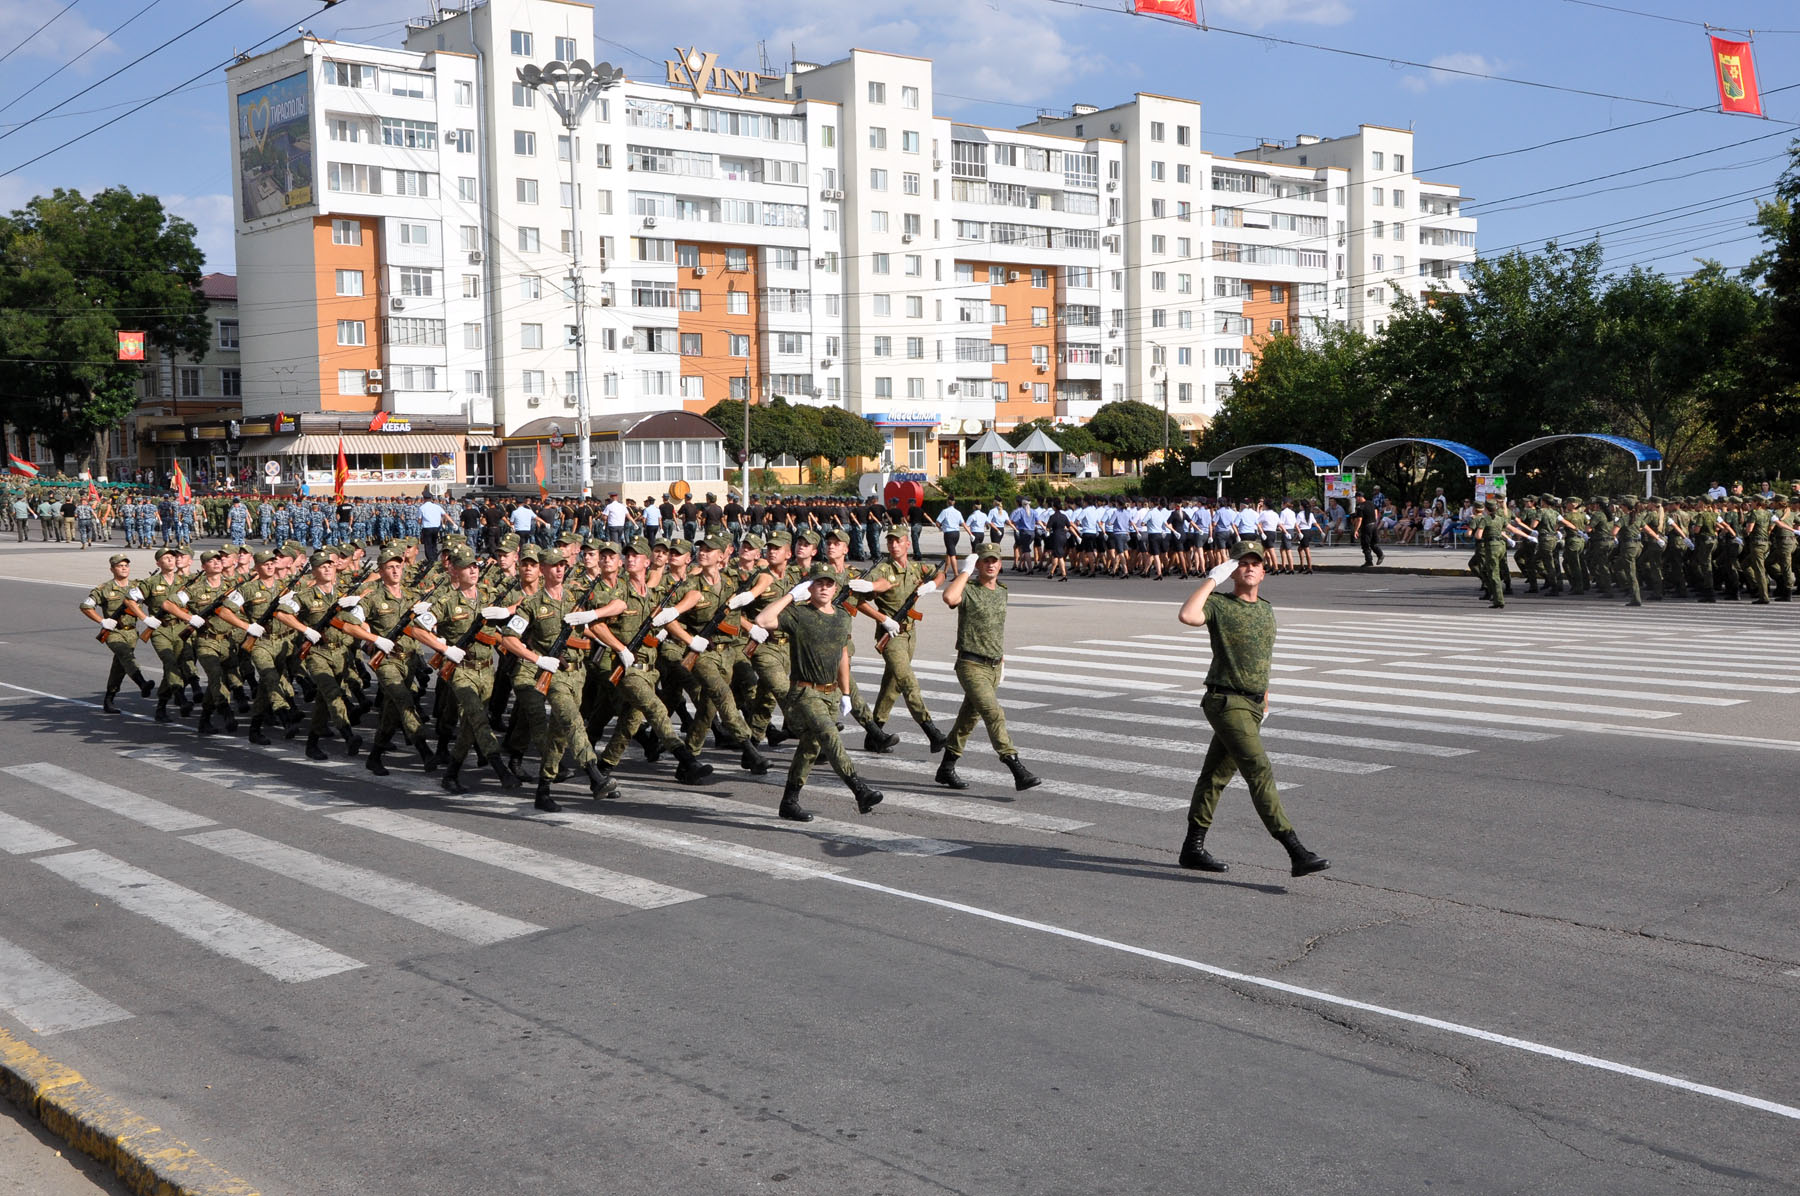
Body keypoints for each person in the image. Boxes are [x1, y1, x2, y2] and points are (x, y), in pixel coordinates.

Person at [1173, 540, 1329, 877]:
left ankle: (1192, 848)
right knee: (1259, 770)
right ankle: (1296, 850)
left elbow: (1262, 659)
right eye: (1242, 563)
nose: (1249, 568)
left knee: (1215, 775)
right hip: (1226, 701)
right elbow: (1187, 616)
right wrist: (1212, 579)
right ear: (1232, 571)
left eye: (1255, 563)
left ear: (1263, 572)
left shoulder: (1266, 610)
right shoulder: (1219, 604)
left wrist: (1265, 700)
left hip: (1253, 705)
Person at [754, 562, 885, 821]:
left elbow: (842, 655)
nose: (824, 588)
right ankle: (859, 789)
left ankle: (789, 802)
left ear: (836, 588)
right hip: (805, 693)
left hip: (831, 694)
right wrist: (791, 595)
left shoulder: (842, 616)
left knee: (810, 747)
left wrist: (845, 693)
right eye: (818, 583)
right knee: (829, 735)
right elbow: (762, 620)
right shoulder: (799, 614)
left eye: (828, 584)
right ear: (810, 587)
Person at [935, 543, 1040, 793]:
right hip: (971, 665)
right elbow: (949, 597)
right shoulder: (968, 590)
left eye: (994, 560)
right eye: (985, 561)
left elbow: (995, 628)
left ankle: (946, 768)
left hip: (993, 666)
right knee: (994, 714)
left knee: (968, 718)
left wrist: (1001, 659)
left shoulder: (1002, 592)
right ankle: (1015, 766)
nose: (990, 565)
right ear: (978, 565)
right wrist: (965, 571)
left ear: (1000, 564)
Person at [79, 554, 157, 713]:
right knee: (126, 655)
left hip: (132, 633)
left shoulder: (137, 586)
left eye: (126, 565)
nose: (124, 568)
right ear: (112, 569)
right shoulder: (104, 589)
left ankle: (109, 698)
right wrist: (102, 621)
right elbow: (85, 606)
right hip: (113, 632)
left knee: (120, 665)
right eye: (120, 566)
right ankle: (142, 683)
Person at [1350, 494, 1383, 566]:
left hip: (1366, 527)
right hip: (1374, 525)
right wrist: (1375, 520)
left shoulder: (1360, 507)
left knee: (1365, 544)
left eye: (1356, 498)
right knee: (1373, 543)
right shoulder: (1371, 503)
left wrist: (1356, 530)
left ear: (1359, 497)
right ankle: (1380, 554)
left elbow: (1359, 519)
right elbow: (1376, 511)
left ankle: (1369, 561)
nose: (1356, 500)